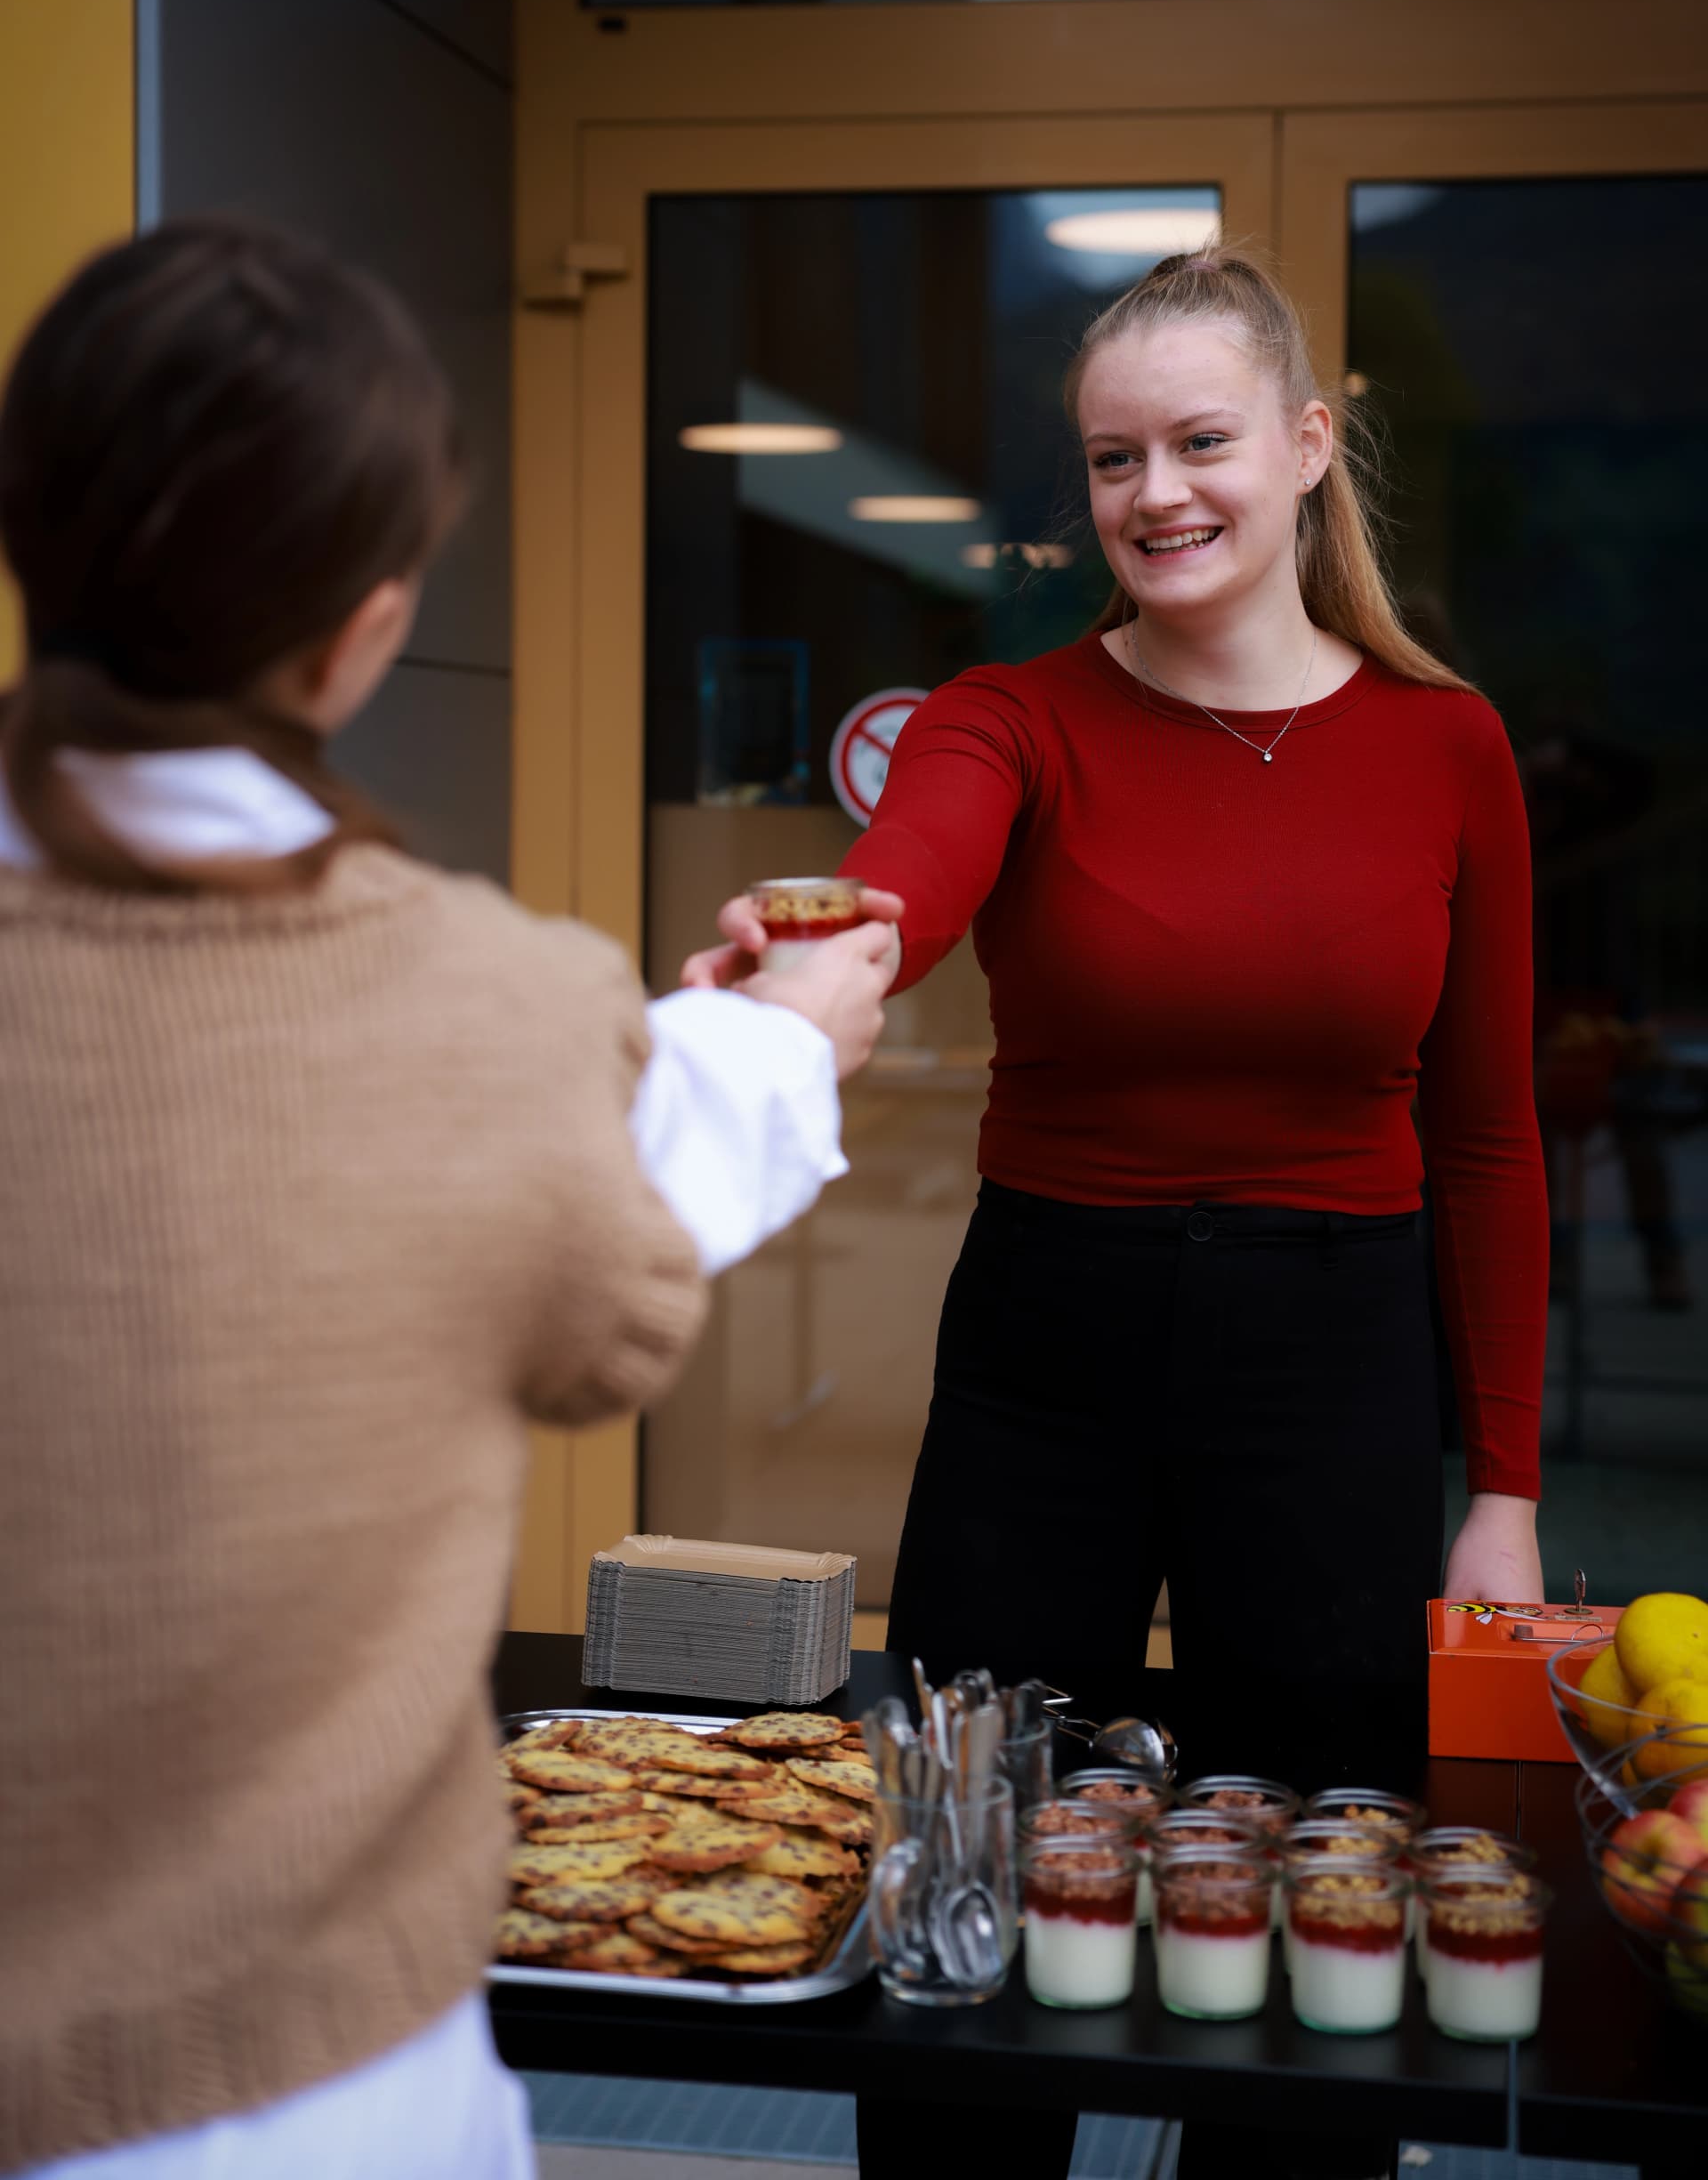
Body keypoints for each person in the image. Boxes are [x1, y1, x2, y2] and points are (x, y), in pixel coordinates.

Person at [0, 217, 894, 2180]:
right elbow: (626, 1188)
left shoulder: (499, 1025)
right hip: (323, 2099)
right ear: (365, 625)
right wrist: (791, 1032)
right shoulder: (492, 1012)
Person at [687, 247, 1550, 2180]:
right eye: (1111, 458)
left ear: (1307, 448)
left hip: (1335, 1357)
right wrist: (807, 966)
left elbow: (1491, 1140)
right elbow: (904, 884)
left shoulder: (1449, 744)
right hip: (1048, 1351)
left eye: (1200, 443)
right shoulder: (1012, 716)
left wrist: (1501, 1485)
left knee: (1318, 1895)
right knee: (973, 1866)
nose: (1156, 493)